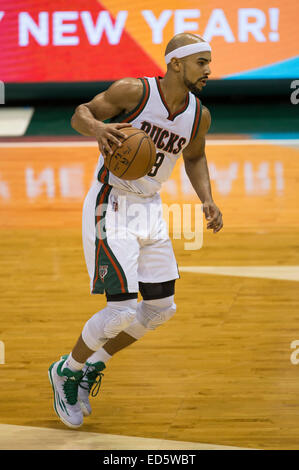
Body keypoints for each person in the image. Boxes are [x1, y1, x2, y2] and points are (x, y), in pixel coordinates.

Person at [48, 33, 223, 429]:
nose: (209, 70)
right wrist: (96, 129)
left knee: (161, 309)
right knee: (122, 309)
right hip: (111, 201)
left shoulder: (199, 114)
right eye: (201, 62)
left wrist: (207, 199)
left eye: (209, 62)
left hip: (150, 207)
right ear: (176, 63)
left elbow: (194, 157)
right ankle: (67, 370)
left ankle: (94, 364)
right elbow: (80, 113)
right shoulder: (135, 91)